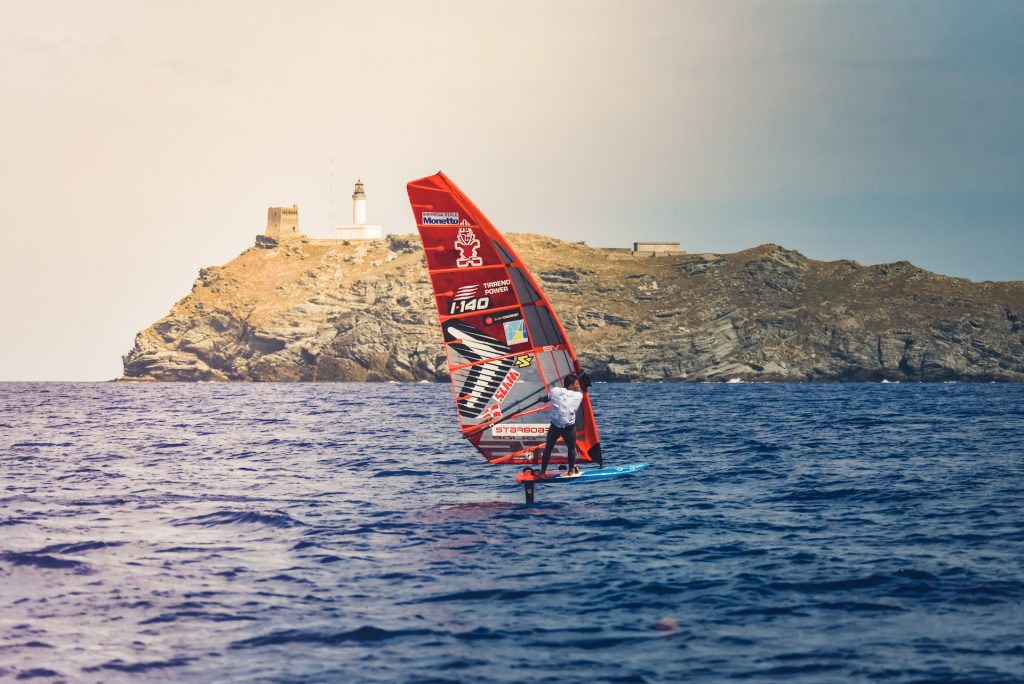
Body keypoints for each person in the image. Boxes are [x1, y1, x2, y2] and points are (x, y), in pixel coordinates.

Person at [538, 373, 588, 478]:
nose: (578, 386)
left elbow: (545, 399)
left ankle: (542, 472)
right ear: (570, 386)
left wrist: (540, 399)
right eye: (576, 384)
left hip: (555, 426)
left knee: (548, 448)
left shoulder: (555, 391)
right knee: (571, 448)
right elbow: (580, 390)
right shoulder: (579, 395)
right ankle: (570, 471)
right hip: (568, 428)